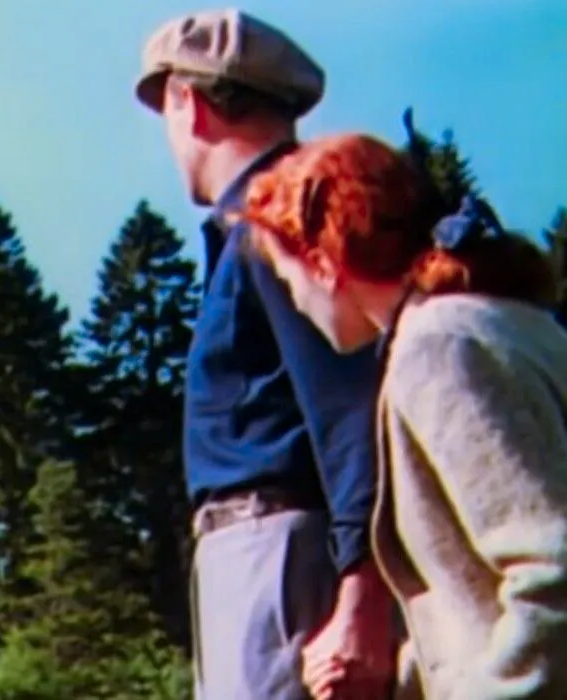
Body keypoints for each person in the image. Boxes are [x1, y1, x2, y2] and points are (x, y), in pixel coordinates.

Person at [246, 132, 567, 700]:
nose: (292, 300)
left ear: (323, 265)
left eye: (286, 275)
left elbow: (551, 572)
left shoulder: (438, 348)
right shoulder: (509, 322)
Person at [134, 9, 395, 699]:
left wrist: (360, 590)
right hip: (256, 559)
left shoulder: (278, 221)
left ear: (187, 103)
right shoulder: (264, 222)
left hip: (280, 555)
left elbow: (350, 408)